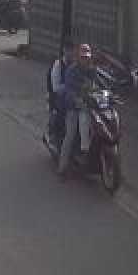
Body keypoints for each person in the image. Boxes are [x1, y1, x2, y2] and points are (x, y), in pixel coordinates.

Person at [58, 43, 97, 176]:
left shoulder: (92, 70)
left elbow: (98, 84)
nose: (85, 59)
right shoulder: (71, 70)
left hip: (88, 104)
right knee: (70, 134)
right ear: (78, 57)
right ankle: (62, 167)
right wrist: (76, 99)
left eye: (87, 57)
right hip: (73, 106)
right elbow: (69, 89)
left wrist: (108, 93)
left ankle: (89, 155)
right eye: (83, 57)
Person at [47, 43, 76, 143]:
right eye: (68, 50)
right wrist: (69, 86)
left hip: (73, 95)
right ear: (64, 50)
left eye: (72, 50)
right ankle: (56, 135)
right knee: (62, 111)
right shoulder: (58, 65)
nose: (70, 53)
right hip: (58, 95)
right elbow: (55, 87)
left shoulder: (76, 64)